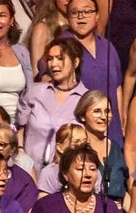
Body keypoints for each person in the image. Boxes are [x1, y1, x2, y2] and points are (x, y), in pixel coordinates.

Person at [21, 39, 90, 169]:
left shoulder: (86, 100)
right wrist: (20, 152)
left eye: (60, 58)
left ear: (75, 62)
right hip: (31, 171)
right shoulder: (35, 91)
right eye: (50, 59)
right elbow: (20, 128)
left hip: (66, 174)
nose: (53, 64)